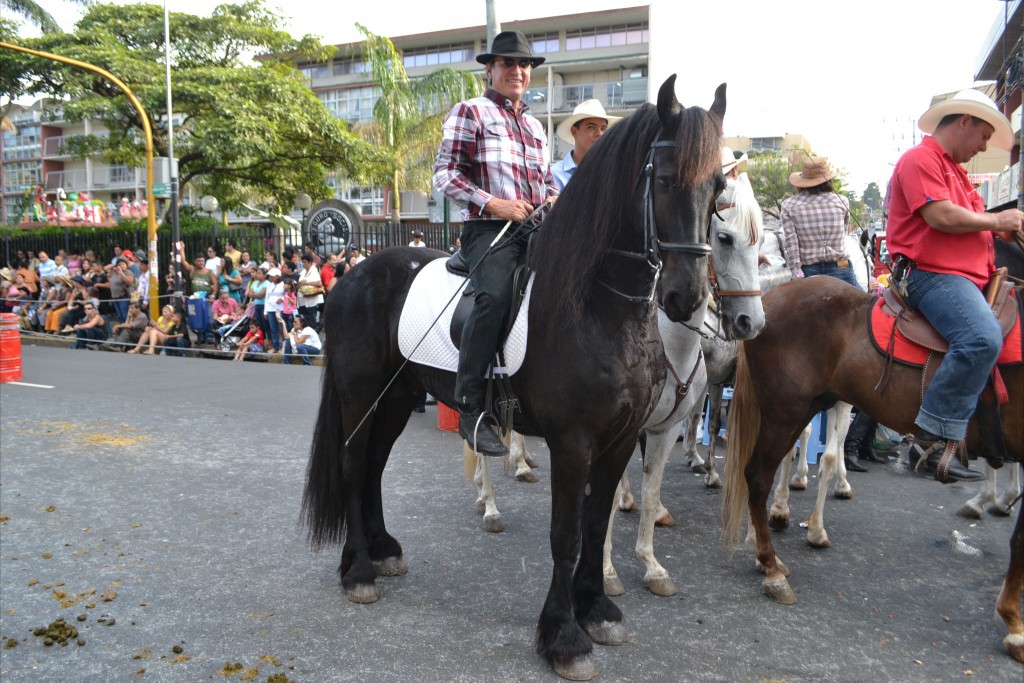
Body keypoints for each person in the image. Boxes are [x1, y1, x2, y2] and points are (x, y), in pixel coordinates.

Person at [886, 88, 1024, 483]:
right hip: (929, 274)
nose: (983, 147)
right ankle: (927, 439)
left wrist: (998, 234)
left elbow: (966, 226)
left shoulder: (956, 172)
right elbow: (941, 216)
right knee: (981, 338)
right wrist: (998, 222)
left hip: (964, 276)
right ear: (964, 121)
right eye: (982, 136)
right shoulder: (920, 159)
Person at [433, 30, 558, 455]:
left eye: (524, 64)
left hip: (535, 227)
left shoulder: (537, 126)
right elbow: (445, 175)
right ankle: (470, 406)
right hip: (488, 228)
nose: (518, 71)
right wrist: (496, 204)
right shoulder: (471, 111)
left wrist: (555, 202)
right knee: (495, 294)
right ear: (491, 69)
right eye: (508, 63)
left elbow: (544, 186)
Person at [780, 157, 860, 288]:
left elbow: (791, 243)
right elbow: (843, 233)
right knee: (864, 303)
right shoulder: (842, 201)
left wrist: (796, 269)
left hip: (809, 271)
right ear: (829, 180)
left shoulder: (788, 205)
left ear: (803, 181)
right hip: (840, 268)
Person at [550, 99, 621, 191]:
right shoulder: (555, 174)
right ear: (574, 131)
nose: (599, 133)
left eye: (603, 129)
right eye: (591, 127)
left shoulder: (613, 172)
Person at [297, 253, 324, 329]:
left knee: (312, 321)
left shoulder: (314, 271)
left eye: (305, 262)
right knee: (304, 321)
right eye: (302, 262)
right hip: (302, 300)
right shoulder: (303, 272)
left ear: (310, 262)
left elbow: (319, 283)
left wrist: (307, 282)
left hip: (311, 300)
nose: (303, 264)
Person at [263, 268, 285, 353]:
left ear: (277, 276)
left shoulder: (283, 284)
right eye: (270, 276)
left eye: (272, 276)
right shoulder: (269, 285)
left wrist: (282, 298)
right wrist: (265, 311)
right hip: (270, 309)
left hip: (279, 309)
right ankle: (276, 346)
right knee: (273, 328)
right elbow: (267, 297)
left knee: (281, 327)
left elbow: (287, 294)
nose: (270, 278)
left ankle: (283, 346)